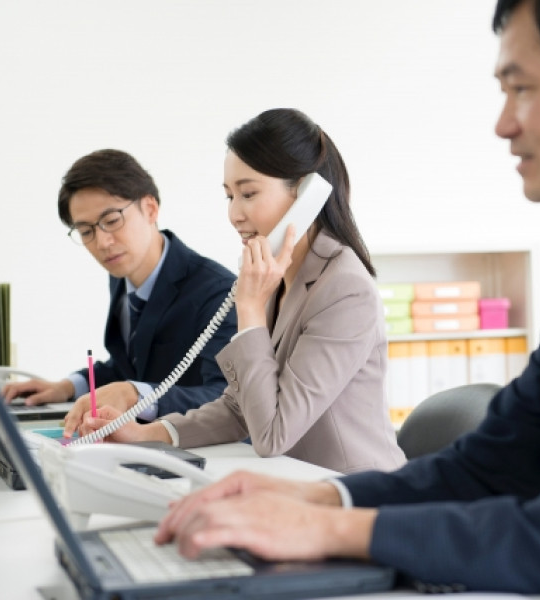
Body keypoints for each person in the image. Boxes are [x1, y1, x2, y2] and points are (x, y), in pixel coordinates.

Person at [146, 0, 540, 595]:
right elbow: (487, 467)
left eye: (523, 89)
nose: (503, 124)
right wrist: (320, 496)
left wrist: (326, 529)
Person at [66, 108, 406, 474]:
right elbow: (239, 407)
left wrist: (250, 309)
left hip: (355, 494)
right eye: (230, 196)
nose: (234, 214)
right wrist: (150, 434)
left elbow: (273, 433)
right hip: (294, 485)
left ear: (306, 195)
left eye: (248, 194)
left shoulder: (344, 288)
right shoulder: (280, 273)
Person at [2, 149, 237, 419]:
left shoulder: (219, 292)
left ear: (150, 208)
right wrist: (68, 386)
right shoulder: (122, 276)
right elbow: (133, 367)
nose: (102, 243)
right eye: (86, 231)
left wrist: (134, 394)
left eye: (112, 221)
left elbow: (226, 397)